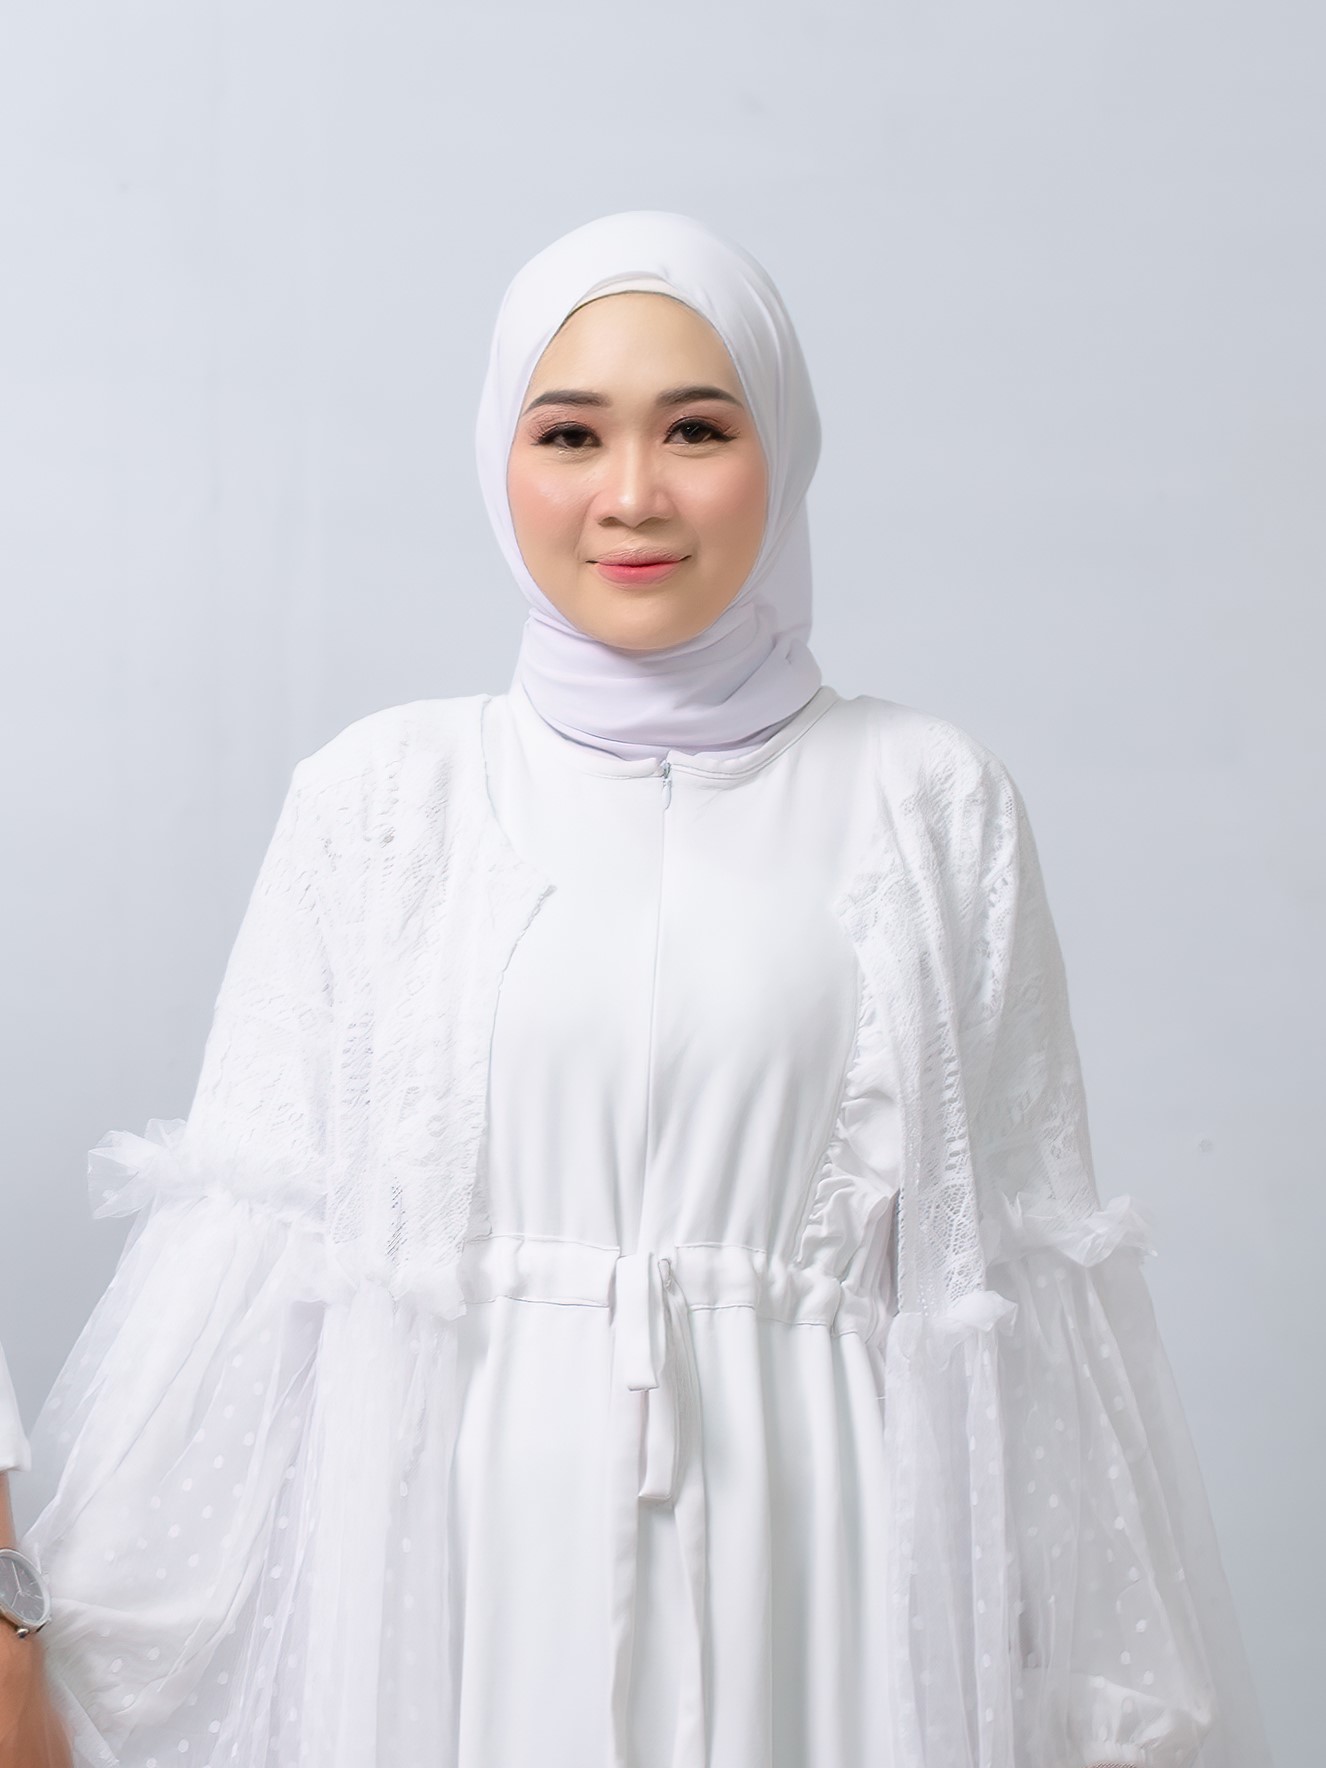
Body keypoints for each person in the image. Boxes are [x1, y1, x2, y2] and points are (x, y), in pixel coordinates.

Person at [11, 210, 1272, 1767]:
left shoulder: (929, 800)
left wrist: (1114, 1708)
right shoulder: (385, 799)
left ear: (780, 448)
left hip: (820, 1580)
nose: (630, 494)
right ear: (500, 454)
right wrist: (65, 1652)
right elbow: (245, 1284)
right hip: (450, 1584)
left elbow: (1018, 1298)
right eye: (568, 433)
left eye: (695, 429)